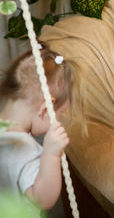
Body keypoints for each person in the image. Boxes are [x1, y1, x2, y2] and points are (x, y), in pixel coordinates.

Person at [0, 47, 73, 212]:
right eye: (60, 114)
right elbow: (41, 200)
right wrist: (51, 155)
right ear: (45, 109)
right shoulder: (24, 148)